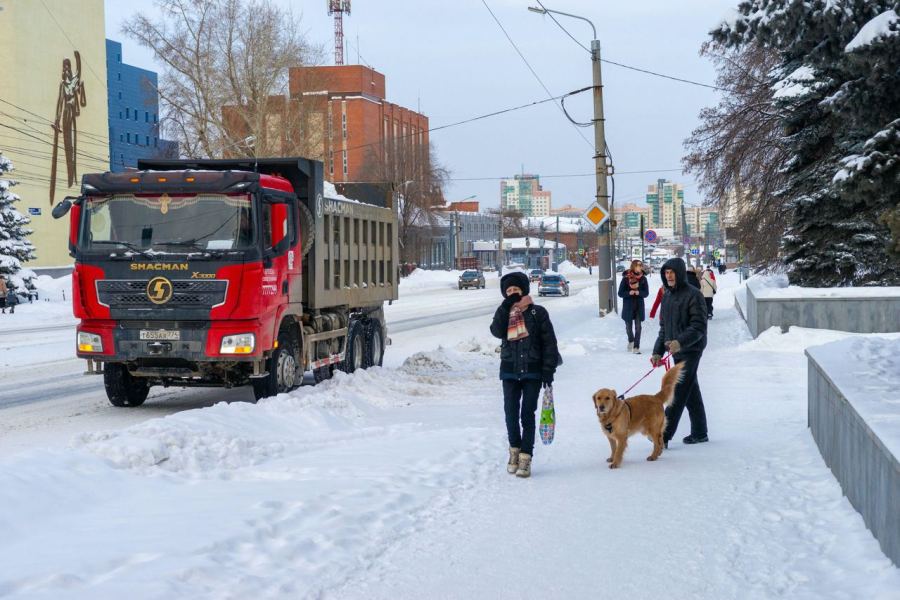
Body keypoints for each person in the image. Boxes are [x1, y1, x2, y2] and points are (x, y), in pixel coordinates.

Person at [490, 270, 559, 479]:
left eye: (516, 290)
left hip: (532, 372)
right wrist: (505, 307)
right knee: (510, 415)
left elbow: (549, 343)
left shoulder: (538, 312)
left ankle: (526, 458)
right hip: (509, 372)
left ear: (524, 291)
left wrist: (548, 370)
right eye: (508, 291)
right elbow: (496, 331)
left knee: (526, 415)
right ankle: (514, 451)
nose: (512, 294)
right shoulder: (504, 312)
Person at [651, 257, 709, 447]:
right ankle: (700, 432)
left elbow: (698, 326)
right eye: (666, 273)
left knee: (677, 390)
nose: (669, 276)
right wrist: (657, 351)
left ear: (680, 273)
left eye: (672, 272)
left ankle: (662, 435)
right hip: (676, 350)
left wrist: (680, 342)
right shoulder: (667, 295)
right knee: (691, 390)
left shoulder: (694, 295)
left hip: (692, 349)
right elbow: (663, 328)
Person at [618, 259, 649, 353]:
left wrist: (639, 292)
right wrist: (629, 293)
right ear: (633, 267)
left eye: (640, 266)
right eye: (637, 266)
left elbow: (646, 293)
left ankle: (636, 347)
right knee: (628, 327)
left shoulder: (643, 279)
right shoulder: (626, 278)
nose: (639, 268)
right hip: (628, 307)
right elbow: (620, 293)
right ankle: (631, 340)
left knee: (638, 327)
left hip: (639, 307)